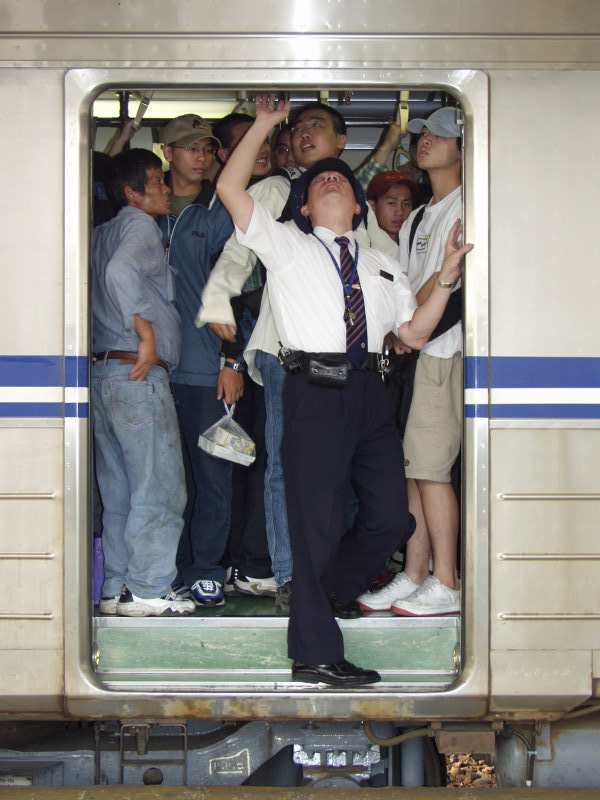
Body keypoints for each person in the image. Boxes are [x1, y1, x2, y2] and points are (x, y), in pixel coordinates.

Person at [215, 94, 472, 686]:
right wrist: (264, 124)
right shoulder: (286, 246)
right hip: (314, 392)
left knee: (391, 520)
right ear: (306, 207)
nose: (331, 179)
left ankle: (326, 592)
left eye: (340, 178)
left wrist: (446, 278)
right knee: (316, 527)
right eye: (319, 180)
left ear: (357, 206)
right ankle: (315, 653)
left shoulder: (384, 265)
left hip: (371, 396)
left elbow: (412, 333)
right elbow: (230, 188)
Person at [197, 101, 394, 613]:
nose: (305, 134)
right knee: (288, 465)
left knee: (344, 472)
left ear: (341, 141)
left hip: (354, 364)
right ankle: (291, 575)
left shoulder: (354, 201)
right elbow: (237, 252)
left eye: (317, 127)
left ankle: (331, 575)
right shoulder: (277, 190)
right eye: (299, 127)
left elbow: (385, 269)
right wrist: (218, 301)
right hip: (287, 349)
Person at [357, 106, 465, 617]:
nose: (426, 139)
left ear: (463, 148)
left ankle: (446, 580)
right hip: (413, 351)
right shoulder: (421, 215)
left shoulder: (470, 204)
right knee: (412, 469)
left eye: (440, 135)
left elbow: (452, 284)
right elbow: (401, 284)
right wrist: (400, 329)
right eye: (424, 133)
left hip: (441, 350)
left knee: (431, 469)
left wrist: (409, 330)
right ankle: (416, 572)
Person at [91, 148, 195, 617]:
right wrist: (146, 333)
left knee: (119, 492)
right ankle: (150, 588)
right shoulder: (139, 225)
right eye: (157, 181)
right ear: (133, 193)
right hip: (136, 371)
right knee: (160, 487)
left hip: (104, 372)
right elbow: (121, 272)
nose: (166, 188)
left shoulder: (100, 232)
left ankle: (117, 587)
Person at [157, 115, 237, 608]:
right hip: (149, 371)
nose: (200, 156)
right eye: (189, 148)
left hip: (206, 368)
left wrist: (233, 360)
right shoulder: (143, 207)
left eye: (206, 148)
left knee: (212, 477)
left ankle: (206, 569)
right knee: (167, 481)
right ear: (167, 153)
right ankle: (167, 571)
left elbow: (241, 288)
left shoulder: (218, 210)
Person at [366, 171, 419, 246]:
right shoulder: (361, 245)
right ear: (372, 206)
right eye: (391, 203)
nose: (400, 212)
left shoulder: (416, 246)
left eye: (406, 204)